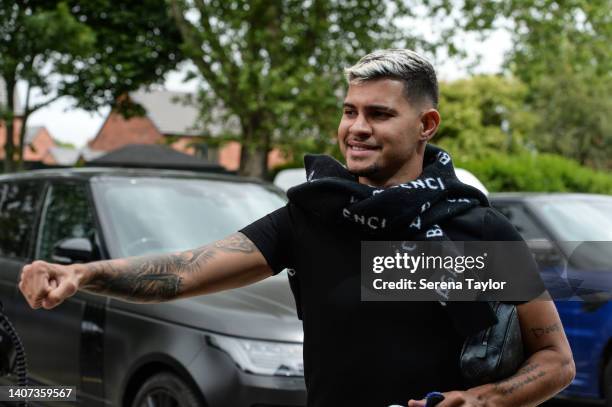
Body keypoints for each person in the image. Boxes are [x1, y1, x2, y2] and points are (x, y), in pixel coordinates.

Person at [19, 49, 575, 406]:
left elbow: (554, 361)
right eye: (348, 111)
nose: (355, 128)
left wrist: (486, 400)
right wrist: (83, 273)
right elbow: (186, 272)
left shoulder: (479, 231)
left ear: (426, 124)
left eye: (378, 114)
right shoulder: (314, 217)